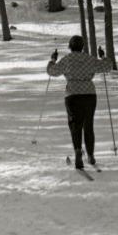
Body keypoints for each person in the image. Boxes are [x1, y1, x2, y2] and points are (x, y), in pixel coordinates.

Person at [47, 36, 113, 170]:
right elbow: (108, 67)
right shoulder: (89, 59)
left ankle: (78, 150)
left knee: (75, 124)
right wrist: (103, 56)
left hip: (72, 95)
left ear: (70, 47)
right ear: (82, 47)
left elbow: (52, 71)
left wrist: (53, 59)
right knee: (88, 125)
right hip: (89, 94)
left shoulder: (67, 59)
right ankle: (90, 155)